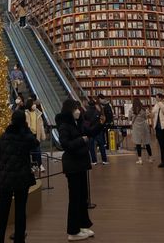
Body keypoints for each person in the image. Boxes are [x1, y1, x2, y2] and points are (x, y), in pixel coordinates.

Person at [56, 98, 102, 241]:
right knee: (75, 198)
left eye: (78, 108)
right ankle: (73, 231)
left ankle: (81, 225)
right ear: (69, 110)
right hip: (73, 166)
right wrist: (81, 140)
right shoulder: (64, 125)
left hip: (80, 164)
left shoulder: (78, 123)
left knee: (82, 197)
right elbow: (64, 144)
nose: (78, 111)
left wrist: (101, 123)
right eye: (75, 108)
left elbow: (90, 132)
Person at [0, 110, 39, 243]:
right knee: (20, 210)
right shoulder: (25, 136)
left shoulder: (4, 136)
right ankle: (19, 238)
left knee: (2, 212)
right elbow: (35, 144)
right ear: (24, 121)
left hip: (5, 178)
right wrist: (27, 129)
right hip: (21, 178)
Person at [25, 98, 46, 173]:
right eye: (33, 104)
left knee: (38, 150)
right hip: (29, 135)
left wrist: (42, 135)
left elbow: (41, 125)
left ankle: (39, 165)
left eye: (34, 104)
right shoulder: (26, 113)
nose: (34, 105)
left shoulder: (38, 113)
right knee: (31, 151)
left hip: (36, 135)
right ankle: (33, 165)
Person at [84, 98, 108, 165]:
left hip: (90, 132)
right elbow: (102, 120)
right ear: (94, 104)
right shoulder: (98, 112)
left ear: (88, 105)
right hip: (98, 131)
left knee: (91, 146)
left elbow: (85, 123)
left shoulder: (86, 113)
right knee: (101, 145)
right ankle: (104, 160)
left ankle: (94, 161)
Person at [129, 98, 153, 164]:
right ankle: (150, 158)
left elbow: (129, 118)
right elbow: (146, 117)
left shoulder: (131, 110)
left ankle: (140, 160)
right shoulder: (143, 109)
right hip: (144, 127)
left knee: (138, 143)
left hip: (136, 128)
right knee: (147, 143)